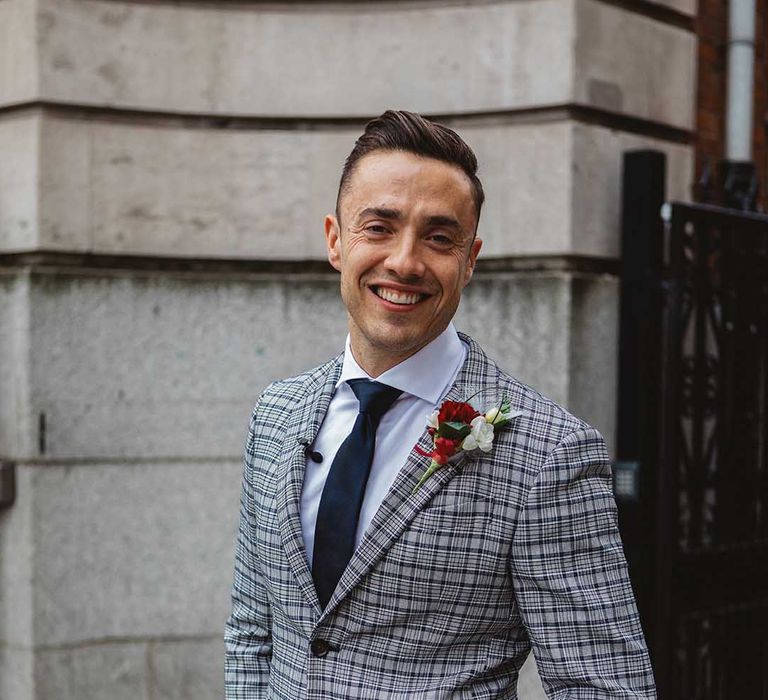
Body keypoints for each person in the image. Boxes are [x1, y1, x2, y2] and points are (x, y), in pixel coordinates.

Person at [224, 110, 656, 698]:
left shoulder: (550, 455)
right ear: (335, 240)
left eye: (438, 237)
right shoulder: (276, 414)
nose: (404, 261)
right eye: (378, 226)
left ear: (470, 259)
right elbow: (252, 631)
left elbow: (604, 686)